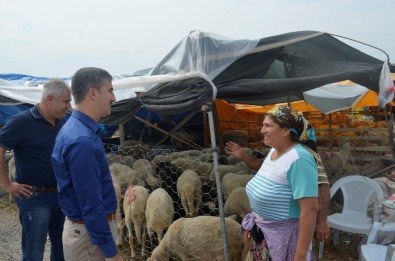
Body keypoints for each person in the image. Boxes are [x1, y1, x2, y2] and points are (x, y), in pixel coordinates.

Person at [226, 106, 325, 261]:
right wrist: (255, 223)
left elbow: (310, 209)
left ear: (286, 130)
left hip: (285, 240)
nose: (262, 130)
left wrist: (300, 256)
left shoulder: (299, 159)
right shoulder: (274, 151)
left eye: (268, 125)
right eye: (263, 125)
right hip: (265, 234)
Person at [51, 67, 124, 261]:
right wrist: (111, 253)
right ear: (93, 93)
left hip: (86, 234)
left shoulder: (76, 131)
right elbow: (91, 204)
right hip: (89, 240)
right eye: (110, 90)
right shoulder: (82, 140)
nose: (114, 97)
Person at [0, 79, 72, 261]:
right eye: (65, 101)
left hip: (62, 195)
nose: (69, 106)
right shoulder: (21, 122)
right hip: (34, 197)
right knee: (33, 253)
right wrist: (7, 185)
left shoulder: (64, 122)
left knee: (62, 249)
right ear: (49, 99)